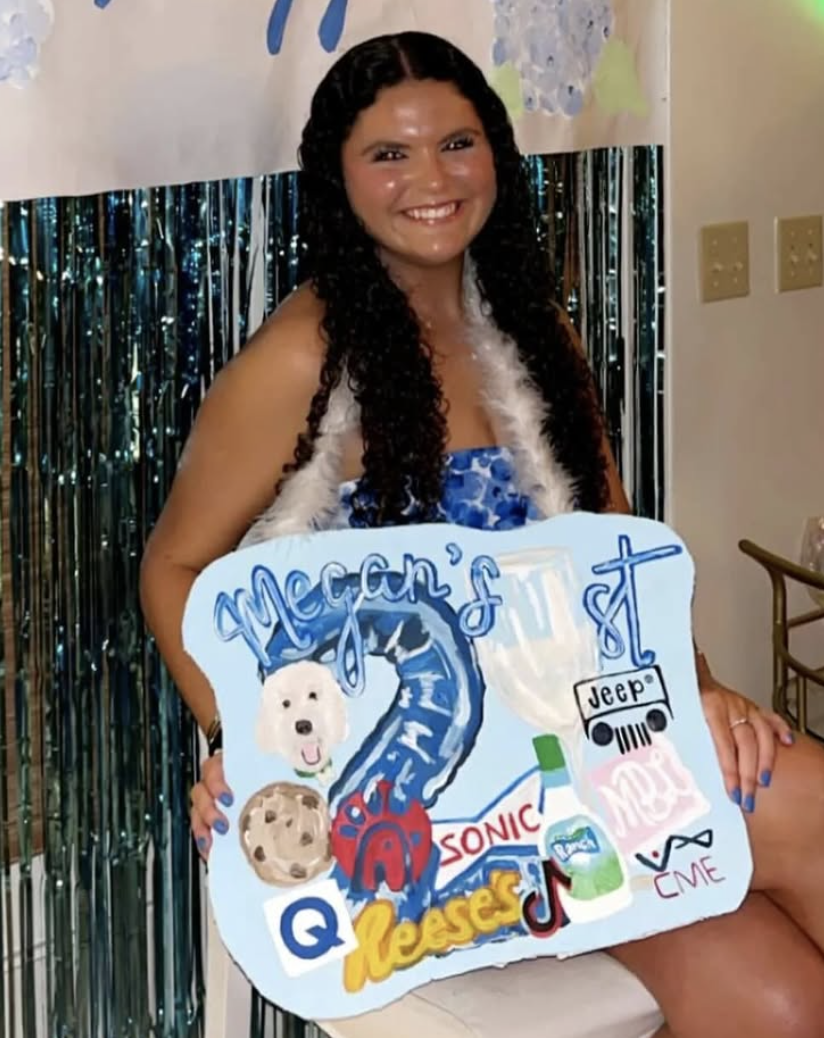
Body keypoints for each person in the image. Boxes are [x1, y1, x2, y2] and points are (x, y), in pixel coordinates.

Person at [139, 31, 824, 1038]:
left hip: (587, 750)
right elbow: (174, 566)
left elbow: (613, 547)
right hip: (430, 811)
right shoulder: (301, 361)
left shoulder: (533, 332)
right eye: (389, 153)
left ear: (495, 155)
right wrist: (245, 745)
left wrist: (696, 687)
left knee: (781, 1002)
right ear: (338, 178)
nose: (431, 179)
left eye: (456, 143)